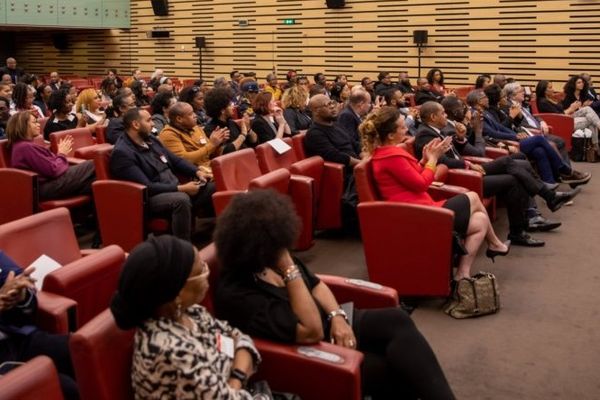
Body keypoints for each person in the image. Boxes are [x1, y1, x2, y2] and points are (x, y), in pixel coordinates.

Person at [214, 190, 455, 400]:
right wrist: (288, 267)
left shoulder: (270, 252)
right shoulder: (238, 291)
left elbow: (316, 285)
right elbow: (311, 331)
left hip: (330, 323)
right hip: (303, 350)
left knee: (396, 318)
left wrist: (338, 317)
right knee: (392, 367)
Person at [361, 106, 510, 278]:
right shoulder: (392, 156)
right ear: (390, 135)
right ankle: (494, 244)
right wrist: (433, 160)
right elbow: (421, 184)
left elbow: (411, 176)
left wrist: (424, 160)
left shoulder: (388, 153)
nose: (407, 128)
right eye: (402, 127)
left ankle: (463, 274)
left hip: (418, 207)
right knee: (473, 196)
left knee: (481, 220)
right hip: (416, 214)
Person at [110, 235, 261, 399]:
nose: (207, 271)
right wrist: (238, 377)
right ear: (178, 294)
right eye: (200, 270)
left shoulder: (190, 312)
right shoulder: (170, 353)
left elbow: (241, 340)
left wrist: (235, 379)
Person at [415, 101, 580, 247]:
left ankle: (528, 220)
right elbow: (443, 161)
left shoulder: (438, 130)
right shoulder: (425, 134)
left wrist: (461, 138)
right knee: (511, 170)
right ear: (433, 117)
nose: (446, 116)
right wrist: (467, 164)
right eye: (442, 113)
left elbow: (460, 151)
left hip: (470, 170)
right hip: (461, 178)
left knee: (518, 166)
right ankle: (544, 200)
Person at [110, 108, 215, 241]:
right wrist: (181, 188)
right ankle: (183, 249)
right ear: (135, 125)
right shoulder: (123, 153)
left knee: (212, 186)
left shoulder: (151, 140)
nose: (153, 124)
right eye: (148, 120)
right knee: (181, 200)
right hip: (149, 199)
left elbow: (176, 161)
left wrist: (197, 172)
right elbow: (146, 187)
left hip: (174, 186)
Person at [0, 251, 79, 399]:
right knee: (65, 388)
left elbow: (18, 280)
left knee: (80, 350)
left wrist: (20, 295)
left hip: (15, 339)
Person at [6, 111, 95, 200]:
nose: (38, 125)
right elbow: (53, 170)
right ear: (23, 125)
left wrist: (59, 156)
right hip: (46, 187)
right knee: (93, 165)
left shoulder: (23, 146)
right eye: (34, 122)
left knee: (94, 181)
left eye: (37, 121)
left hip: (50, 183)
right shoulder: (25, 147)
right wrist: (62, 154)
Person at [159, 102, 228, 175]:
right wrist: (211, 144)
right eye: (191, 114)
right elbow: (184, 160)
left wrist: (218, 143)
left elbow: (210, 153)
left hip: (210, 166)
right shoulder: (168, 134)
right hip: (195, 175)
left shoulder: (196, 128)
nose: (195, 115)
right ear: (179, 119)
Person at [204, 87, 258, 154]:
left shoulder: (231, 122)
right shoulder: (211, 129)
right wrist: (243, 134)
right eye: (229, 105)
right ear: (223, 111)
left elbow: (254, 142)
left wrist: (249, 129)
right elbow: (225, 152)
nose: (233, 107)